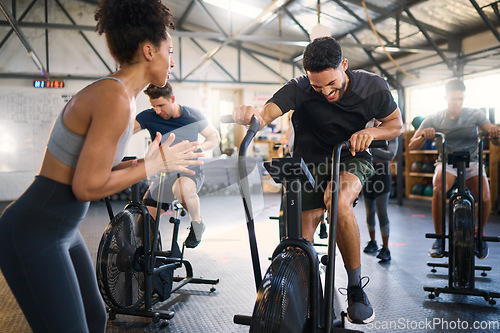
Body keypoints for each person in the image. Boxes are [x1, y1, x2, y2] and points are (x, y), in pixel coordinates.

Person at [0, 1, 203, 332]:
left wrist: (143, 162)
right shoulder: (115, 99)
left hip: (61, 228)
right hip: (34, 231)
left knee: (95, 319)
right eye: (169, 48)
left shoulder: (121, 95)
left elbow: (97, 170)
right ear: (149, 50)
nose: (173, 59)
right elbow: (87, 187)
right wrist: (153, 165)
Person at [232, 36, 403, 325]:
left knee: (336, 202)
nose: (326, 92)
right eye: (317, 86)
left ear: (344, 65)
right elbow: (266, 113)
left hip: (349, 156)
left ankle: (354, 288)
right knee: (300, 244)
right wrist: (251, 114)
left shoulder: (372, 86)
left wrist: (371, 134)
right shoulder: (298, 88)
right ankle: (307, 299)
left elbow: (395, 124)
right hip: (308, 162)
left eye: (332, 84)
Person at [408, 79, 500, 260]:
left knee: (486, 197)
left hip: (472, 162)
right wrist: (424, 136)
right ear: (445, 97)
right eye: (453, 99)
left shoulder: (476, 114)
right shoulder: (434, 118)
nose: (457, 103)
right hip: (447, 163)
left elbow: (492, 136)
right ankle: (439, 239)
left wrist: (494, 133)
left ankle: (478, 234)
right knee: (437, 190)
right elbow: (412, 145)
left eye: (460, 99)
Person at [134, 83, 220, 248]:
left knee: (181, 189)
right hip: (163, 172)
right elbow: (124, 131)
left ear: (172, 99)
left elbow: (214, 137)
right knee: (144, 221)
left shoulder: (193, 115)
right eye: (154, 106)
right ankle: (151, 257)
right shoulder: (148, 116)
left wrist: (200, 147)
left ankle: (197, 224)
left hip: (189, 169)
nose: (158, 111)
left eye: (161, 105)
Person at [362, 119, 398, 261]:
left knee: (381, 211)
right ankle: (373, 242)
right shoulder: (367, 128)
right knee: (369, 211)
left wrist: (370, 147)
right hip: (368, 172)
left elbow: (390, 155)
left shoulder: (391, 131)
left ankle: (386, 248)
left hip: (382, 173)